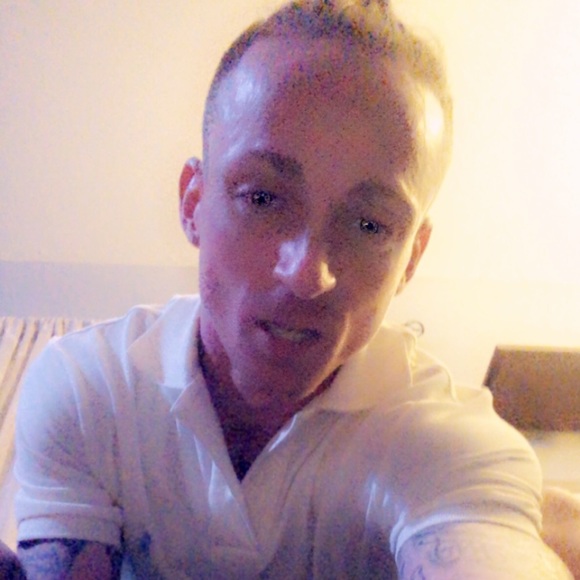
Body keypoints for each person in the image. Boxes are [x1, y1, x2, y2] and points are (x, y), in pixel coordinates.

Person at [6, 0, 576, 577]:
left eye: (369, 225)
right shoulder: (88, 391)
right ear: (193, 202)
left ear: (412, 258)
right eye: (262, 198)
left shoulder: (452, 447)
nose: (308, 275)